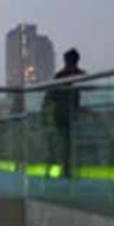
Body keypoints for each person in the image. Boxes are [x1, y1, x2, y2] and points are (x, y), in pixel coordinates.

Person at [46, 48, 85, 180]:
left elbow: (50, 96)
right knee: (66, 144)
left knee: (63, 144)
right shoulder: (79, 75)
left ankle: (65, 170)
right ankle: (67, 170)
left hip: (61, 114)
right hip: (69, 114)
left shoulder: (60, 76)